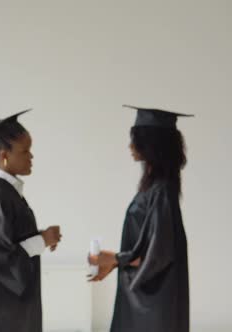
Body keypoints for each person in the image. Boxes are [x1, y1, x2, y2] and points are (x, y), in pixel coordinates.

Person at [89, 104, 191, 332]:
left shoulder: (161, 192)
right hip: (150, 295)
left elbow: (157, 254)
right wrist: (115, 262)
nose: (130, 146)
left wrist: (114, 258)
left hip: (154, 301)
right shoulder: (156, 188)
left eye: (136, 140)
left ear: (151, 146)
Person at [0, 109, 62, 332]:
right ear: (4, 156)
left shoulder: (4, 192)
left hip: (12, 305)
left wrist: (41, 238)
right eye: (25, 151)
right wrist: (41, 240)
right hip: (6, 308)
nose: (31, 157)